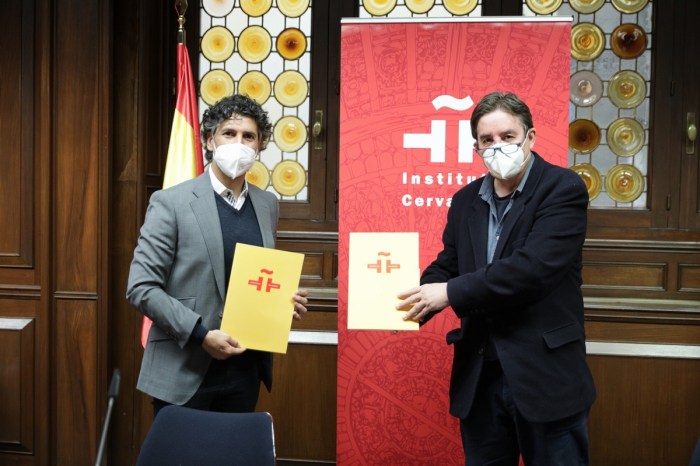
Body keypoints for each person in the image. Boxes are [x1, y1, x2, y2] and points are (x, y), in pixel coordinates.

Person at [397, 92, 596, 465]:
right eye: (487, 140)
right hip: (481, 377)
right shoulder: (465, 200)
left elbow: (531, 270)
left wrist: (448, 292)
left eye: (507, 136)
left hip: (545, 376)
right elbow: (449, 264)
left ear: (530, 137)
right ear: (476, 148)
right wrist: (410, 299)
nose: (497, 146)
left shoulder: (562, 188)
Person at [127, 94, 308, 417]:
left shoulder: (267, 205)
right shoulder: (171, 202)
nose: (239, 143)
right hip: (184, 368)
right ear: (210, 140)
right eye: (229, 133)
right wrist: (201, 335)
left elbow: (254, 277)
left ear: (260, 146)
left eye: (248, 136)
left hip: (244, 369)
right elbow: (141, 287)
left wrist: (281, 302)